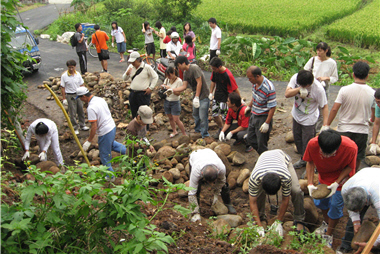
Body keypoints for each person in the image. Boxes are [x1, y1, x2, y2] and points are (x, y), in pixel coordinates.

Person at [304, 129, 357, 248]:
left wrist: (337, 183)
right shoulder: (312, 144)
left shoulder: (350, 147)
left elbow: (350, 167)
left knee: (335, 206)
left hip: (342, 179)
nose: (326, 156)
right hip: (324, 176)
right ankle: (326, 222)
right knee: (321, 201)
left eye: (330, 154)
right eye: (324, 153)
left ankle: (329, 234)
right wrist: (310, 183)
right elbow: (310, 162)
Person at [326, 61, 375, 171]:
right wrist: (371, 119)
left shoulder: (344, 90)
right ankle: (353, 174)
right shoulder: (372, 92)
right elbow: (373, 113)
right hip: (362, 130)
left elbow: (334, 108)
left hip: (344, 128)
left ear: (353, 74)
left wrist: (327, 124)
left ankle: (339, 174)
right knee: (358, 156)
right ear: (367, 76)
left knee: (341, 154)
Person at [248, 149, 306, 237]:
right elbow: (252, 202)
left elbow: (285, 199)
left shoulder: (285, 176)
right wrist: (259, 226)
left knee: (296, 191)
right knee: (258, 194)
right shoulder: (254, 177)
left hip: (282, 158)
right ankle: (260, 218)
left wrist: (278, 221)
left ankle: (299, 219)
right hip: (263, 158)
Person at [77, 87, 127, 182]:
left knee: (104, 156)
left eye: (80, 98)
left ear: (83, 96)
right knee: (112, 145)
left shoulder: (91, 108)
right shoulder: (99, 99)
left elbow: (94, 127)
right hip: (112, 127)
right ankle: (129, 152)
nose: (81, 100)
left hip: (105, 132)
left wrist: (89, 141)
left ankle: (110, 177)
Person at [284, 70, 328, 169]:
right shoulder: (296, 77)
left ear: (310, 83)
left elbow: (324, 106)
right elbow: (287, 94)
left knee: (308, 143)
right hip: (296, 115)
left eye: (305, 85)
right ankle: (303, 159)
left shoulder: (318, 90)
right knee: (297, 139)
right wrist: (298, 89)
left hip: (309, 119)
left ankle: (310, 164)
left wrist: (325, 124)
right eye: (300, 84)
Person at [336, 167, 380, 254]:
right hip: (366, 174)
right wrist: (356, 222)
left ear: (365, 203)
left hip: (376, 182)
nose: (356, 211)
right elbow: (352, 210)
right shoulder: (346, 189)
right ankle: (345, 246)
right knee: (351, 222)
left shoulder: (378, 198)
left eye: (358, 209)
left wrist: (371, 244)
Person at [188, 148, 236, 222]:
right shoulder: (196, 171)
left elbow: (222, 181)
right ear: (201, 174)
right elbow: (191, 193)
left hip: (209, 153)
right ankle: (196, 211)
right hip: (195, 155)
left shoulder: (221, 167)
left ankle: (228, 204)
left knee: (224, 185)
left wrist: (216, 195)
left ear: (217, 171)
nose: (211, 184)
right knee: (196, 189)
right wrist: (195, 212)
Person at [172, 56, 210, 138]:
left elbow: (199, 83)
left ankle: (205, 134)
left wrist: (196, 97)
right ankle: (197, 130)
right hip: (196, 95)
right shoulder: (186, 72)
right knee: (196, 114)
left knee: (203, 116)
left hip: (203, 95)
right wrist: (173, 90)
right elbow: (184, 86)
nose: (179, 68)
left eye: (178, 66)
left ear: (183, 63)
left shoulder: (194, 68)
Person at [304, 42, 338, 131]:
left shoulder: (332, 63)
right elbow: (305, 71)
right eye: (317, 51)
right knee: (311, 107)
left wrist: (325, 78)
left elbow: (335, 77)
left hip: (324, 87)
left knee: (322, 109)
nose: (318, 53)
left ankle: (317, 130)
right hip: (312, 86)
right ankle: (309, 127)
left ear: (326, 51)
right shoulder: (313, 60)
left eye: (320, 51)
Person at [244, 66, 276, 154]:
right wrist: (249, 106)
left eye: (250, 78)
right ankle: (263, 155)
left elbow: (272, 107)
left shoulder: (269, 88)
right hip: (254, 114)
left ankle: (265, 158)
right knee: (250, 139)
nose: (249, 80)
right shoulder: (254, 84)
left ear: (257, 76)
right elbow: (254, 96)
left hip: (263, 116)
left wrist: (267, 123)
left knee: (261, 142)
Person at [209, 57, 240, 137]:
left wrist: (239, 101)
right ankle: (221, 128)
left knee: (225, 117)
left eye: (214, 68)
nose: (213, 70)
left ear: (219, 67)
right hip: (217, 96)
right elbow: (213, 81)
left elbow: (235, 88)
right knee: (215, 114)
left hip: (226, 98)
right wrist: (210, 92)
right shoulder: (215, 71)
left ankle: (225, 131)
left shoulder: (228, 75)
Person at [122, 52, 158, 119]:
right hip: (133, 93)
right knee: (134, 112)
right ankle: (136, 127)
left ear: (138, 60)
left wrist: (151, 88)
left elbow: (155, 77)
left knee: (144, 113)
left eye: (134, 61)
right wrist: (127, 74)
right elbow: (124, 78)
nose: (132, 63)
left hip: (143, 94)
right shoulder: (130, 67)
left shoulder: (147, 67)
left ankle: (145, 128)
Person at [60, 59, 89, 135]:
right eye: (69, 67)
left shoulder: (78, 74)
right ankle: (75, 127)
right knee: (72, 112)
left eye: (72, 67)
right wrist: (64, 98)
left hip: (78, 94)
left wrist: (84, 93)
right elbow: (62, 87)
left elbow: (81, 84)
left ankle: (82, 125)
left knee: (81, 111)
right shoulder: (64, 76)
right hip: (70, 95)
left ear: (75, 67)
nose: (71, 69)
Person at [162, 66, 186, 138]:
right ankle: (174, 131)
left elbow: (178, 93)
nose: (168, 77)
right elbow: (164, 87)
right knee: (170, 118)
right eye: (167, 75)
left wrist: (171, 89)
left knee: (176, 119)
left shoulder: (179, 81)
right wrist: (163, 87)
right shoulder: (167, 80)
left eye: (169, 75)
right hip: (167, 100)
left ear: (173, 73)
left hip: (175, 102)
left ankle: (184, 133)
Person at [368, 88, 380, 155]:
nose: (378, 104)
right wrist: (373, 143)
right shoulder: (378, 107)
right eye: (377, 101)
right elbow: (377, 124)